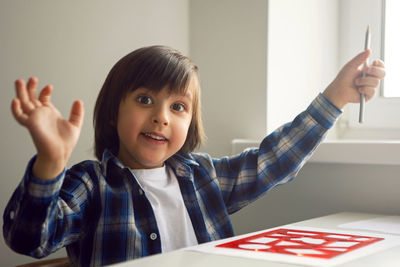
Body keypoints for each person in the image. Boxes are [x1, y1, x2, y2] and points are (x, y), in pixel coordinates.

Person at [3, 45, 385, 266]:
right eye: (144, 99)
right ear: (111, 112)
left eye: (179, 107)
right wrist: (50, 163)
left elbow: (273, 162)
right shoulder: (91, 183)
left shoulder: (202, 176)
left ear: (190, 123)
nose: (161, 116)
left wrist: (336, 98)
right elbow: (30, 240)